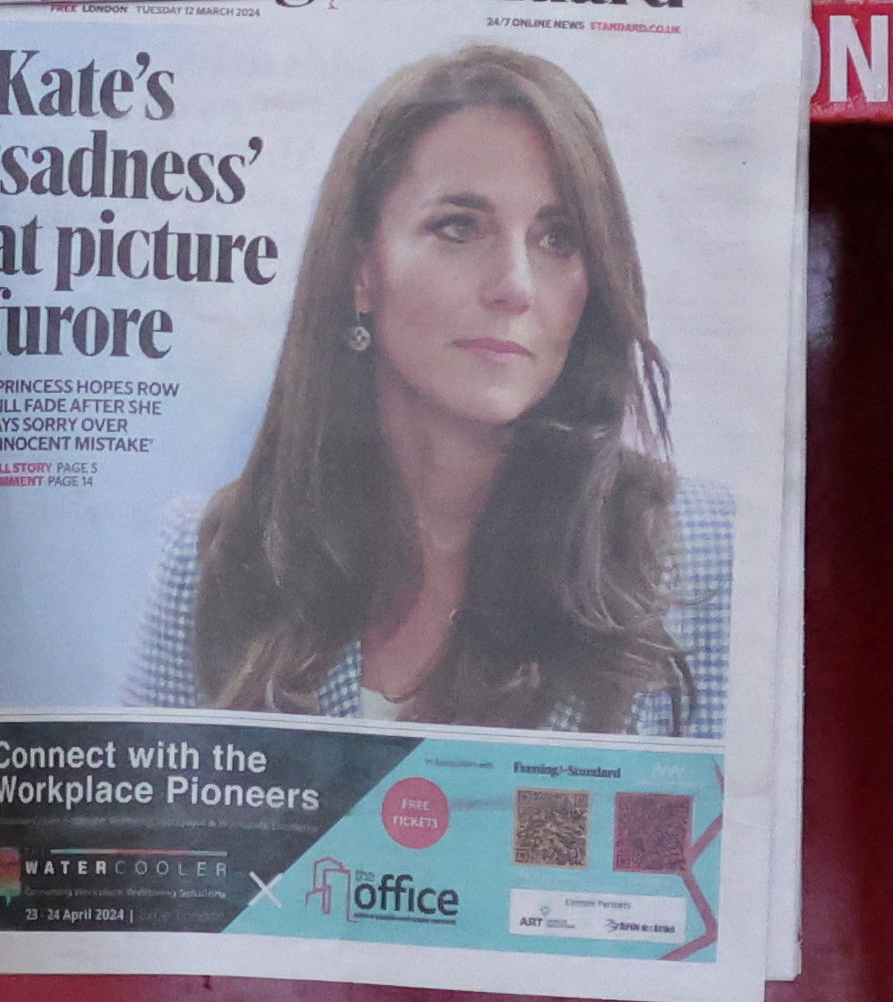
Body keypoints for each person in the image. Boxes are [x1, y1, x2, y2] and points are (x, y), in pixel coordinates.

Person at [139, 39, 735, 740]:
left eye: (558, 238)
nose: (514, 286)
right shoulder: (212, 553)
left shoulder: (697, 542)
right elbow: (139, 843)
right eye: (458, 227)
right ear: (363, 270)